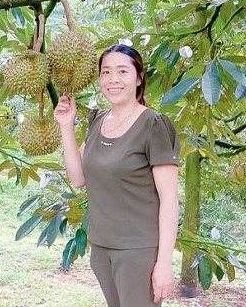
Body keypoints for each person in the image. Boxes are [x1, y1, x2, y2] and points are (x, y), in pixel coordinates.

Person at [54, 44, 180, 307]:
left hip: (138, 250)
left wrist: (164, 264)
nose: (113, 79)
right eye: (106, 72)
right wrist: (66, 127)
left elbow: (170, 198)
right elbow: (78, 178)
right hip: (101, 247)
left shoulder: (153, 125)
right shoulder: (98, 121)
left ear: (138, 78)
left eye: (123, 71)